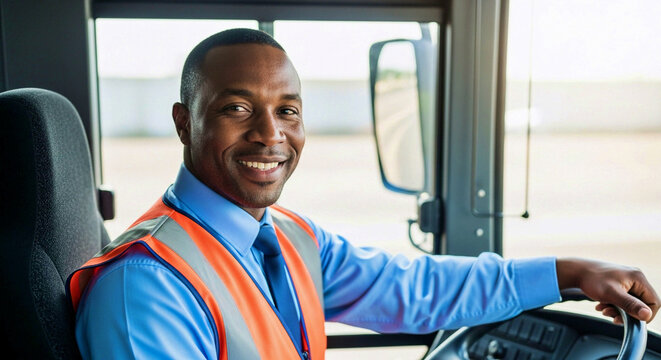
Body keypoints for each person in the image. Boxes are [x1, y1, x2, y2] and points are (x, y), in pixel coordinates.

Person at [67, 28, 659, 359]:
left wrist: (573, 274)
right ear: (182, 121)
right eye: (237, 108)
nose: (270, 135)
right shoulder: (143, 287)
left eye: (288, 110)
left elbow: (417, 289)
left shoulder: (292, 238)